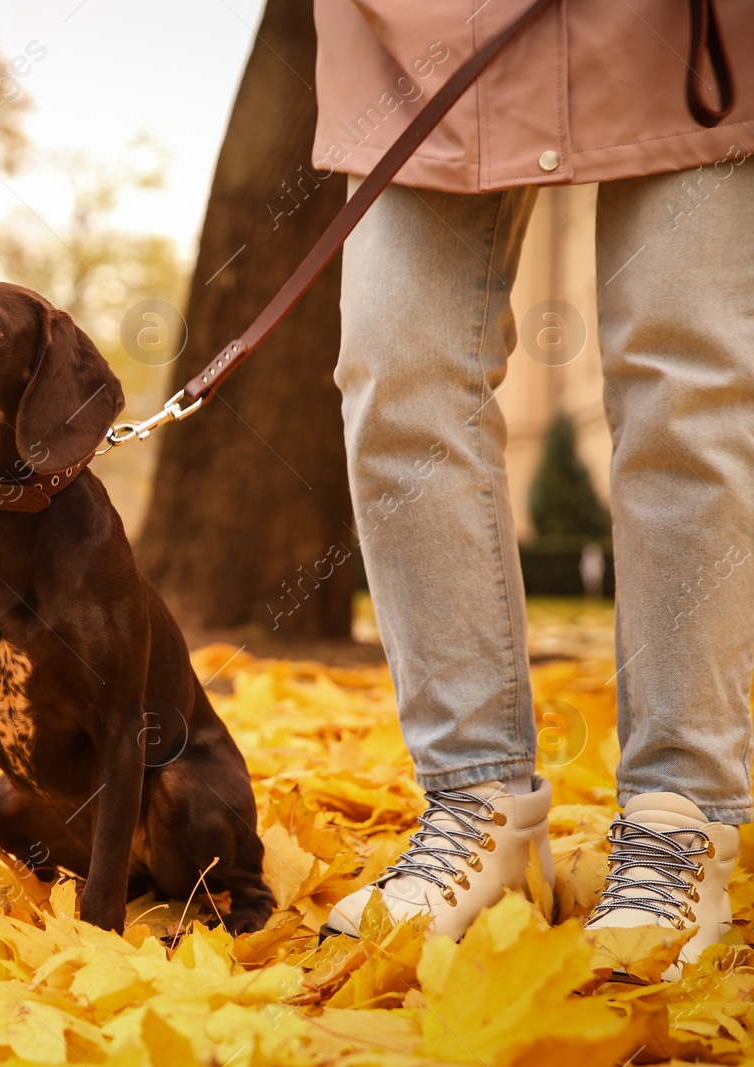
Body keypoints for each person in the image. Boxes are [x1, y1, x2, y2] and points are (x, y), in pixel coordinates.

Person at [312, 0, 754, 977]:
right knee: (395, 368)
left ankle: (682, 815)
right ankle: (481, 812)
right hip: (417, 24)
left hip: (682, 28)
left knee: (685, 383)